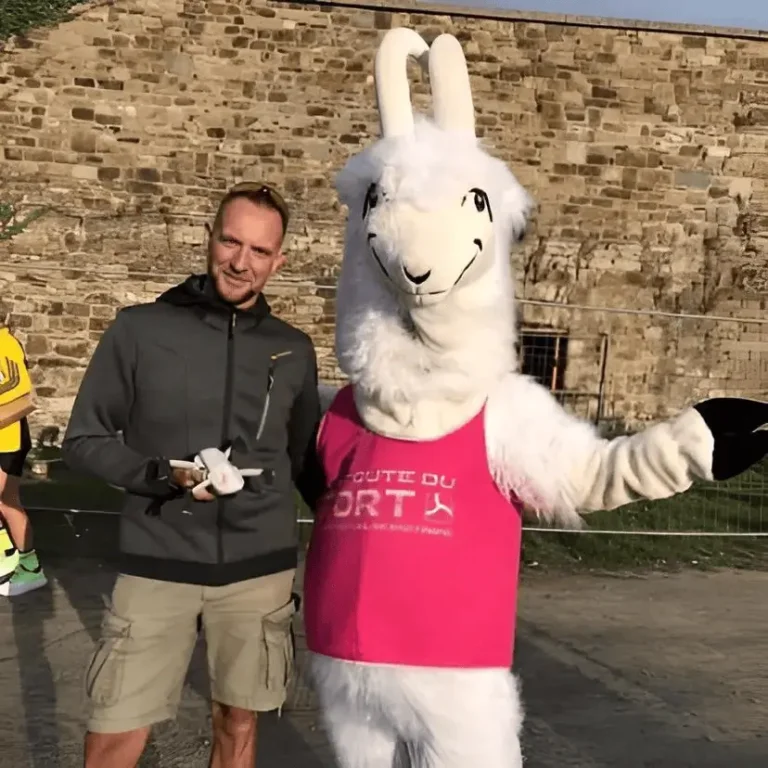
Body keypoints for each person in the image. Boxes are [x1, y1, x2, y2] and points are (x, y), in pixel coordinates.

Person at [62, 182, 325, 768]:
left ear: (279, 261)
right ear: (209, 239)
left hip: (259, 570)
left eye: (260, 251)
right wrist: (158, 474)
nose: (241, 261)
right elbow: (84, 439)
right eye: (231, 242)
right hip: (158, 561)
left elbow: (305, 461)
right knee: (114, 731)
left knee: (238, 724)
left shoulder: (294, 350)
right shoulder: (139, 329)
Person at [0, 320, 47, 597]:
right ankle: (22, 562)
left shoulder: (5, 343)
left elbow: (19, 384)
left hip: (8, 438)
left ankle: (25, 566)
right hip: (6, 437)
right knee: (8, 502)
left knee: (6, 501)